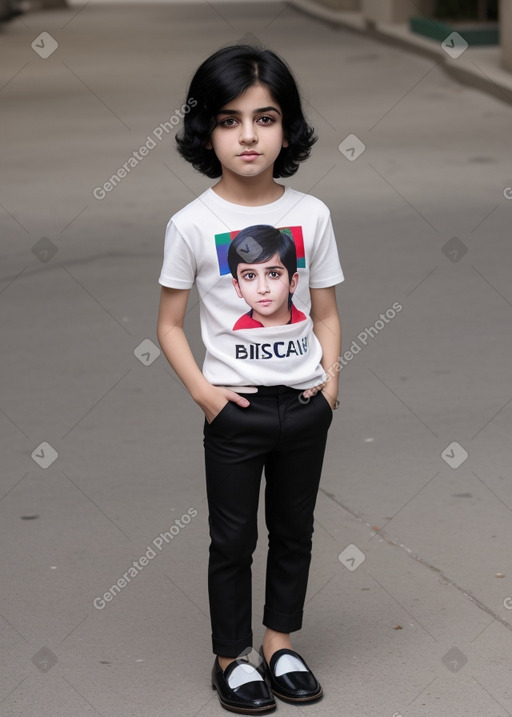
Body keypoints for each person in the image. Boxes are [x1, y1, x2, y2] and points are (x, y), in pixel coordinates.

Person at [157, 43, 344, 715]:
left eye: (265, 119)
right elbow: (170, 326)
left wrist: (329, 384)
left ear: (287, 129)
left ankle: (279, 642)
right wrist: (207, 396)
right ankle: (231, 656)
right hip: (234, 412)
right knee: (233, 538)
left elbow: (325, 309)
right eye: (230, 119)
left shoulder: (312, 215)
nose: (248, 135)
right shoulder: (192, 224)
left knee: (295, 529)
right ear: (205, 130)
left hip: (304, 404)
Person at [227, 224, 306, 330]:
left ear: (292, 282)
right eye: (250, 276)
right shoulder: (238, 331)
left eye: (273, 274)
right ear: (238, 287)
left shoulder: (303, 322)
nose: (263, 289)